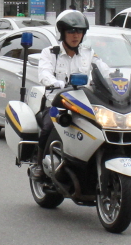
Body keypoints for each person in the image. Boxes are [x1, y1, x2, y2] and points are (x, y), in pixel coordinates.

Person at [30, 10, 110, 177]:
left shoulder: (88, 53)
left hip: (85, 104)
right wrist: (55, 82)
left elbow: (104, 70)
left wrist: (117, 79)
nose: (76, 35)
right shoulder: (50, 53)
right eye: (71, 31)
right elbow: (44, 73)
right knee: (48, 127)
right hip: (57, 104)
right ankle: (39, 163)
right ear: (62, 33)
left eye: (79, 31)